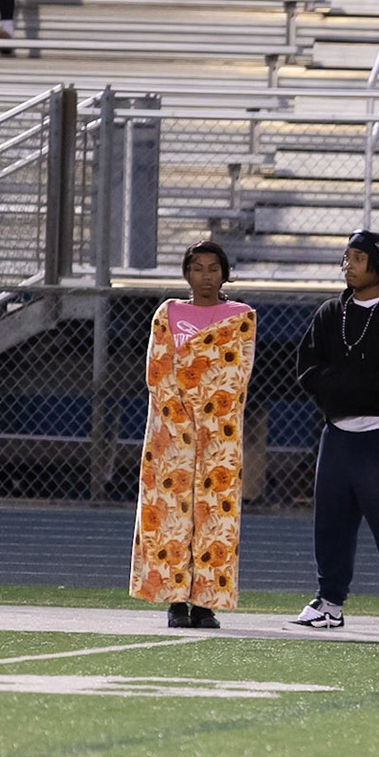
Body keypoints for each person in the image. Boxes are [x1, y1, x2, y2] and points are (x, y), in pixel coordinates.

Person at [292, 231, 379, 635]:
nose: (348, 265)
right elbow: (308, 368)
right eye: (347, 257)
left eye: (358, 258)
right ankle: (329, 602)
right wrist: (343, 389)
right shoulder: (330, 313)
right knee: (330, 521)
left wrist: (356, 387)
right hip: (336, 433)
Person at [129, 242, 256, 629]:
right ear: (186, 273)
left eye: (213, 268)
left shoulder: (240, 318)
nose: (206, 276)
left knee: (215, 514)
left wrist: (205, 413)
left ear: (224, 273)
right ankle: (175, 601)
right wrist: (182, 417)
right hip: (171, 430)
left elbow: (234, 376)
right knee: (170, 512)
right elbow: (158, 371)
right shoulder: (167, 314)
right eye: (198, 268)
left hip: (219, 432)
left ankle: (205, 604)